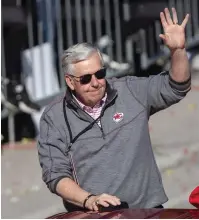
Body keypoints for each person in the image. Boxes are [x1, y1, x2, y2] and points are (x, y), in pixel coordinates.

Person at [37, 8, 191, 212]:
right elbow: (55, 175)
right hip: (94, 214)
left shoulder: (129, 90)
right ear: (70, 82)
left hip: (147, 209)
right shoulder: (54, 117)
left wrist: (178, 51)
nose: (95, 83)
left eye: (100, 74)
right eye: (85, 78)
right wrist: (89, 200)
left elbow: (176, 87)